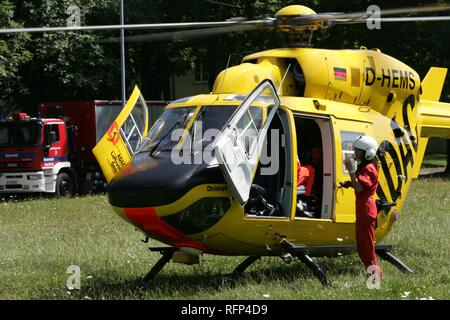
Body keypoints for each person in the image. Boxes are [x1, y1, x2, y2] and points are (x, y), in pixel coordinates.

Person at [342, 135, 383, 281]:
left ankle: (375, 277)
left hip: (366, 209)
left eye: (358, 150)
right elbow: (359, 184)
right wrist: (349, 183)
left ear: (368, 152)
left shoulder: (369, 168)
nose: (355, 151)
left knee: (366, 244)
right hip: (363, 208)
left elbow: (360, 188)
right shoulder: (366, 166)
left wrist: (350, 171)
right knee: (362, 243)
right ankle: (372, 273)